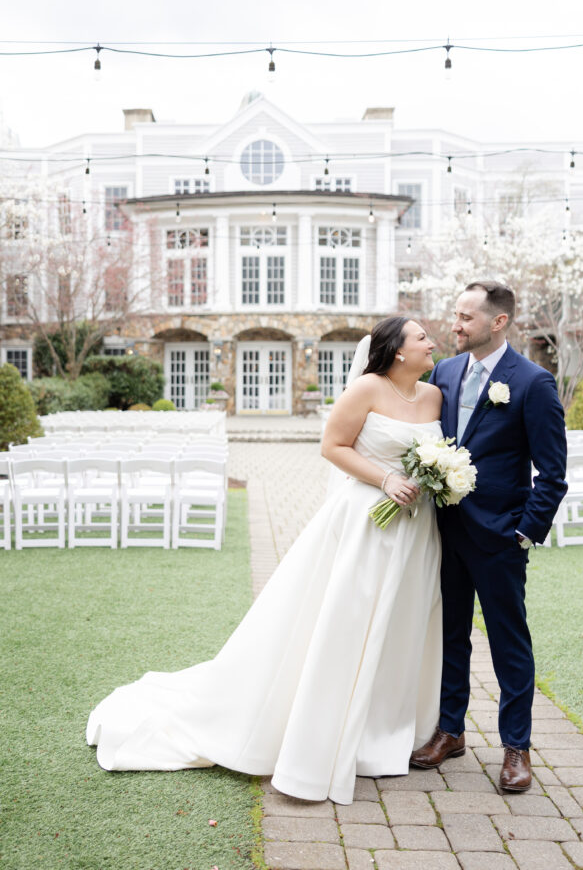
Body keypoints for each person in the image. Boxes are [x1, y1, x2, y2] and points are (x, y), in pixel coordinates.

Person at [86, 317, 445, 805]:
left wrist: (437, 478)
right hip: (367, 525)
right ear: (398, 351)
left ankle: (383, 731)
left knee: (402, 623)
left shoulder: (434, 396)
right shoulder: (367, 388)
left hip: (416, 529)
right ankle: (327, 729)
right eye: (421, 337)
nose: (431, 342)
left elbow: (438, 452)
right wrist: (384, 481)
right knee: (348, 622)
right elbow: (332, 446)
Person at [410, 282, 567, 792]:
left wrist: (525, 532)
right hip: (445, 532)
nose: (454, 325)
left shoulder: (532, 383)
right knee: (451, 635)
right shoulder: (446, 372)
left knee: (508, 644)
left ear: (497, 322)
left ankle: (516, 748)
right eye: (454, 315)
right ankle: (450, 731)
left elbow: (553, 474)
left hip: (501, 538)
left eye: (465, 317)